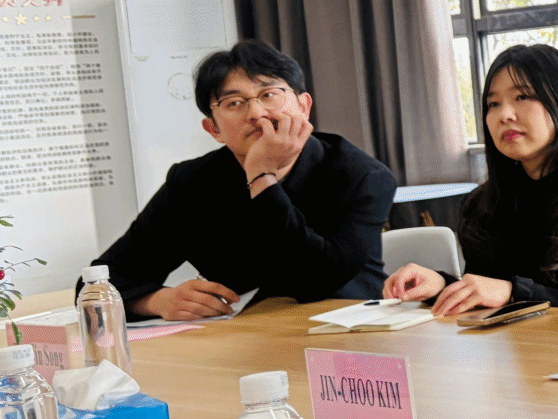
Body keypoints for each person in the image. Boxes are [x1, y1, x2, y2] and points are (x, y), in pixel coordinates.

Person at [92, 40, 396, 317]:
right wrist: (156, 301)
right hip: (242, 340)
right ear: (213, 129)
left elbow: (315, 280)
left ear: (304, 106)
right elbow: (98, 282)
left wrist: (261, 176)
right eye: (234, 103)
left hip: (346, 335)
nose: (256, 113)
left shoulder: (362, 176)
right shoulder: (191, 183)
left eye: (269, 95)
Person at [384, 43, 558, 314]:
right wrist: (441, 286)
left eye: (522, 97)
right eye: (493, 104)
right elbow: (487, 293)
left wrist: (515, 292)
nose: (504, 115)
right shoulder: (482, 204)